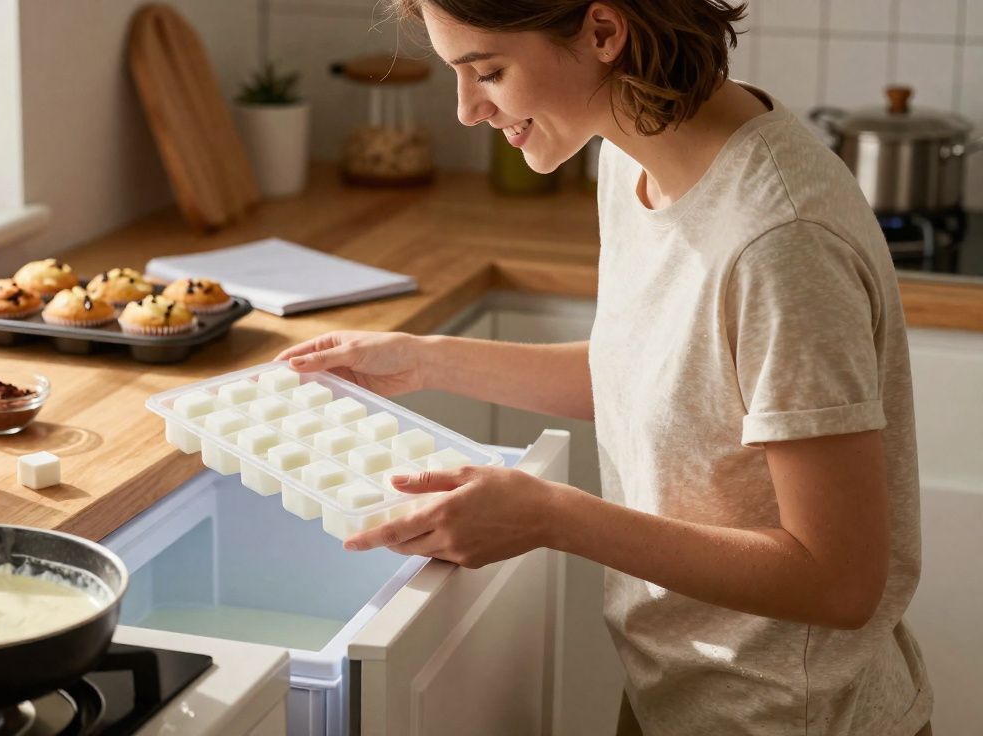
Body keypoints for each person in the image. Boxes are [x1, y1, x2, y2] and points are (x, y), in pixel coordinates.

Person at [275, 1, 933, 734]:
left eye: (488, 71)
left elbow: (839, 581)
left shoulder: (781, 241)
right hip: (676, 699)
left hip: (791, 718)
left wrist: (552, 515)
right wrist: (427, 361)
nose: (465, 111)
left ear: (603, 33)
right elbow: (667, 379)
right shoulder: (633, 154)